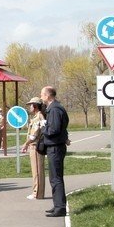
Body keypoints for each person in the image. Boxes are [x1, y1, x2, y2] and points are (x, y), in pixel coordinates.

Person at [41, 85, 70, 218]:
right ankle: (57, 204)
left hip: (55, 147)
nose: (41, 97)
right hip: (55, 146)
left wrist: (43, 128)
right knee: (54, 177)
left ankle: (60, 207)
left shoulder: (54, 109)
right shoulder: (55, 108)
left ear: (48, 95)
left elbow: (54, 129)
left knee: (56, 178)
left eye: (42, 94)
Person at [20, 97, 46, 200]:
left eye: (31, 105)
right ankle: (38, 192)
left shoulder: (38, 117)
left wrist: (26, 143)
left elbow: (34, 134)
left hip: (36, 146)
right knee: (37, 171)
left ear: (35, 106)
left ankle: (37, 193)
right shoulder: (37, 116)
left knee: (37, 171)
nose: (30, 107)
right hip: (34, 145)